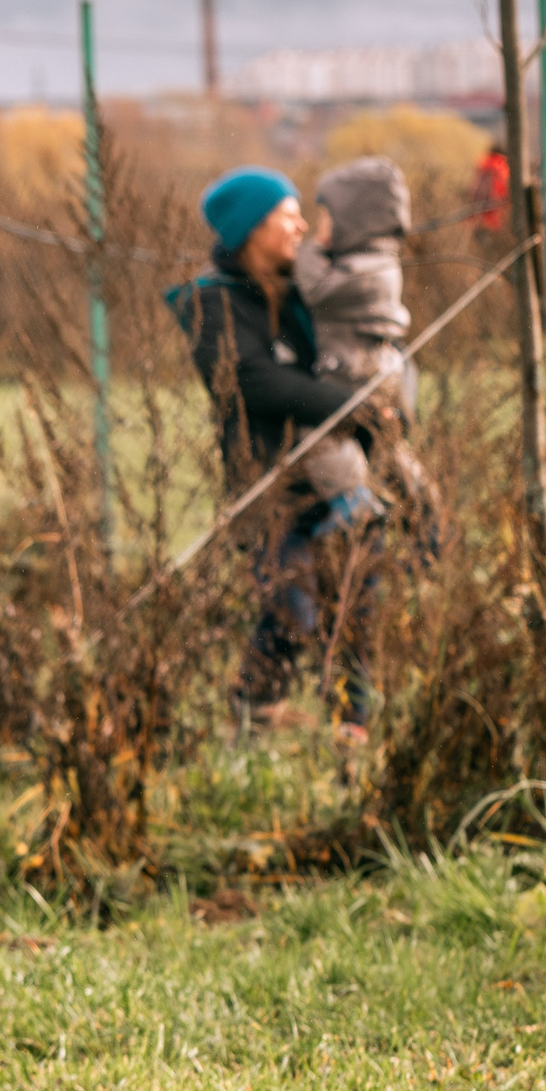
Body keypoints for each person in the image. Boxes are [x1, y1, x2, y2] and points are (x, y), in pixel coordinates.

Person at [169, 165, 380, 735]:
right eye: (288, 215)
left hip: (337, 476)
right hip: (267, 486)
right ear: (252, 228)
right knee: (292, 607)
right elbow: (253, 381)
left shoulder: (305, 290)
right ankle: (254, 711)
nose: (302, 226)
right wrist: (349, 406)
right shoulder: (211, 303)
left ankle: (352, 727)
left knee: (356, 602)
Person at [294, 155, 434, 527]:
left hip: (352, 371)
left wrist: (309, 251)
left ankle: (353, 499)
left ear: (354, 222)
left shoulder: (363, 271)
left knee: (319, 435)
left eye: (326, 218)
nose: (319, 227)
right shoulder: (378, 262)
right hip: (378, 367)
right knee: (385, 441)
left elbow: (316, 289)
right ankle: (419, 503)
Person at [471, 143, 510, 235]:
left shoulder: (484, 163)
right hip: (495, 210)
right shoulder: (502, 165)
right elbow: (503, 189)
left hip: (477, 207)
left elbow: (474, 185)